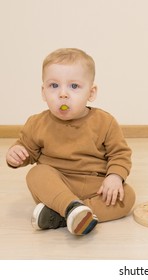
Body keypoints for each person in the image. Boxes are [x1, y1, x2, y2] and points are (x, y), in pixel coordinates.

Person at [6, 48, 136, 236]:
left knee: (127, 197)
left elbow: (120, 154)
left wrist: (115, 176)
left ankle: (63, 215)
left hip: (94, 184)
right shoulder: (37, 123)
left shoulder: (104, 122)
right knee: (36, 174)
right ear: (43, 92)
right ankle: (70, 207)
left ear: (91, 93)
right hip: (57, 185)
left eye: (74, 86)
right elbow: (27, 150)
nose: (63, 94)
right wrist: (16, 154)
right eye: (54, 86)